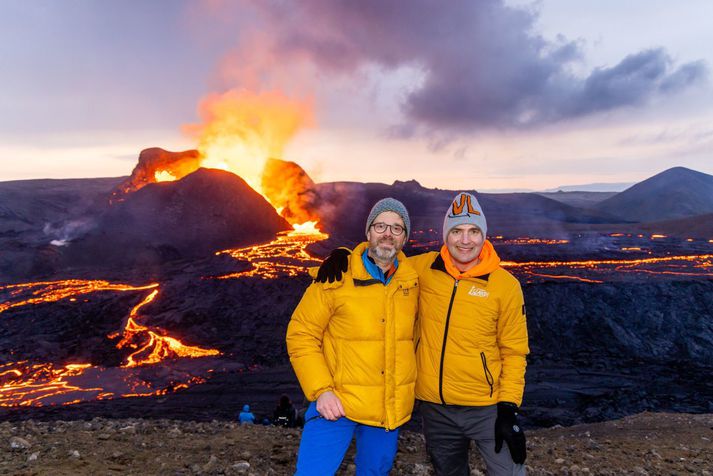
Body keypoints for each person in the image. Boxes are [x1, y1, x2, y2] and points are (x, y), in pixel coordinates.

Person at [316, 192, 529, 476]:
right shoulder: (422, 269)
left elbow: (514, 351)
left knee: (509, 473)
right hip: (436, 409)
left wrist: (508, 407)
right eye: (456, 231)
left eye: (473, 231)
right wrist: (343, 256)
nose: (465, 240)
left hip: (486, 408)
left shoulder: (505, 286)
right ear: (446, 235)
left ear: (484, 235)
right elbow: (381, 255)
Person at [286, 198, 420, 475]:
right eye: (380, 225)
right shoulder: (335, 277)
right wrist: (321, 390)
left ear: (405, 238)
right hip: (336, 405)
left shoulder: (414, 280)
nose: (388, 233)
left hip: (386, 410)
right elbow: (301, 334)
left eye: (397, 228)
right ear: (368, 232)